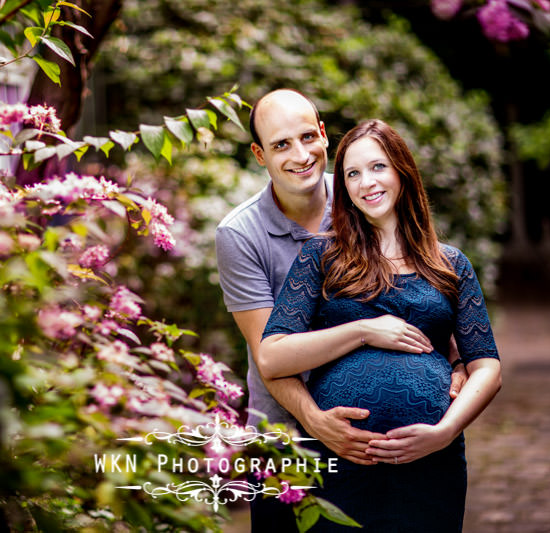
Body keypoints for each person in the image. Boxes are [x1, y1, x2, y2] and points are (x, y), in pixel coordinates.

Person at [214, 90, 467, 530]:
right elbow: (268, 353)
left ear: (324, 135)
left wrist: (458, 359)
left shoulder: (362, 191)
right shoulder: (240, 234)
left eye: (307, 137)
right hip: (286, 434)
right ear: (259, 154)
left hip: (386, 442)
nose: (300, 155)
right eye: (280, 145)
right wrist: (315, 419)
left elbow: (418, 289)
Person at [258, 118, 502, 531]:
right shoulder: (321, 257)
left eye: (377, 167)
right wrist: (363, 331)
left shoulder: (450, 263)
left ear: (402, 172)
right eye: (352, 173)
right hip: (341, 459)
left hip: (431, 464)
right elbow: (272, 356)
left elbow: (487, 366)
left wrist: (445, 430)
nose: (366, 182)